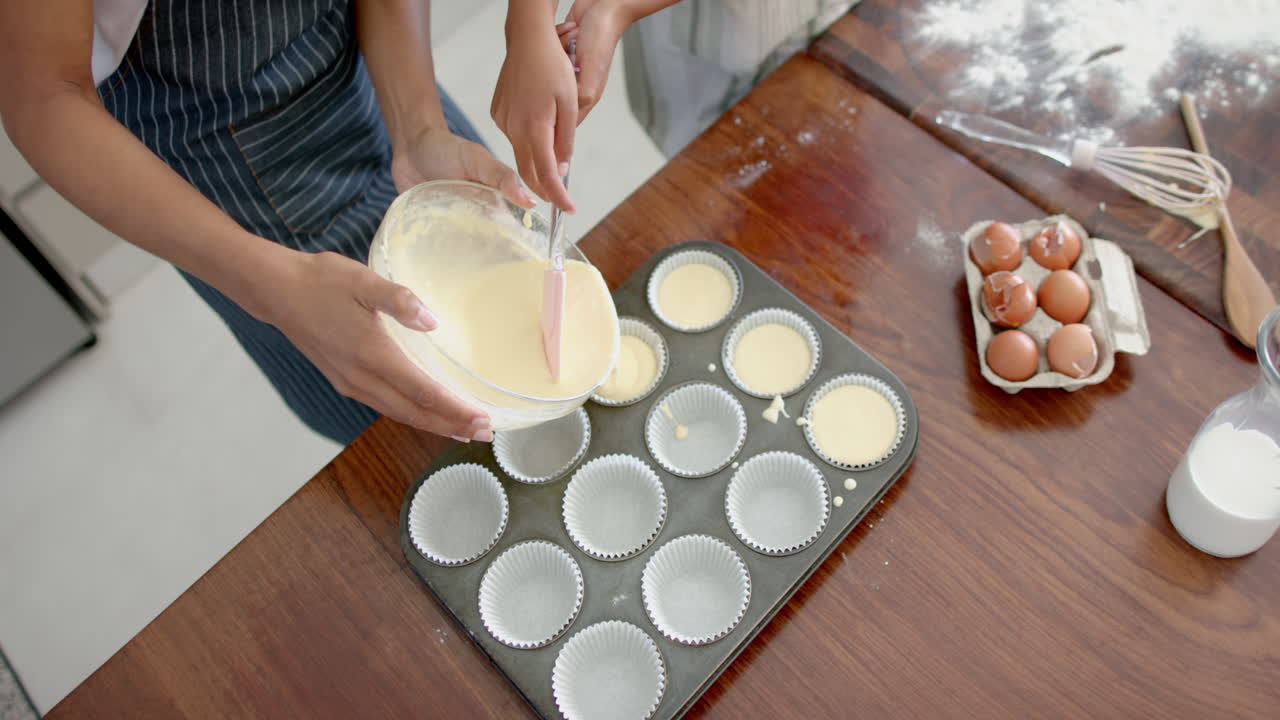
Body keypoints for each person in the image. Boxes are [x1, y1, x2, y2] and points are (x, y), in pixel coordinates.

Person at [0, 1, 540, 446]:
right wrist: (280, 290)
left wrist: (418, 124)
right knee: (414, 433)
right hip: (239, 168)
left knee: (522, 343)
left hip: (371, 66)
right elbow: (44, 95)